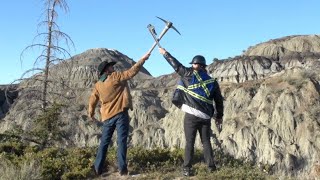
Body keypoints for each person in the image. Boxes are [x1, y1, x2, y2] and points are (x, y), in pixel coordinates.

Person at [159, 48, 224, 176]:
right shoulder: (213, 81)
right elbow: (219, 101)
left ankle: (187, 169)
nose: (192, 66)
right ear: (204, 66)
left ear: (195, 65)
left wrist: (165, 53)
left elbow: (176, 65)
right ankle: (211, 167)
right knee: (206, 142)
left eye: (193, 64)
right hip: (205, 117)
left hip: (191, 115)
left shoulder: (188, 74)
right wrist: (219, 116)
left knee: (190, 142)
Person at [88, 52, 150, 176]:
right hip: (120, 114)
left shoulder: (98, 85)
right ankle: (122, 169)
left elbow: (93, 99)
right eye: (110, 66)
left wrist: (91, 112)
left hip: (107, 116)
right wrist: (142, 59)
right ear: (106, 70)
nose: (113, 68)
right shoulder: (115, 76)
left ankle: (97, 169)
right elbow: (131, 72)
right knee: (121, 142)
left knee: (104, 143)